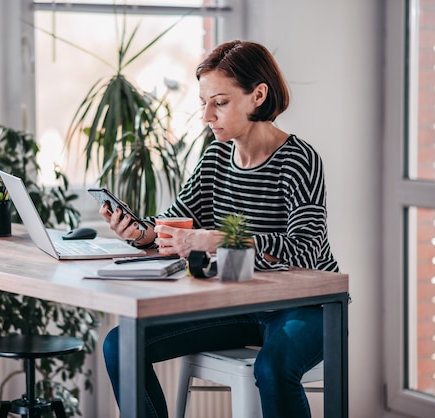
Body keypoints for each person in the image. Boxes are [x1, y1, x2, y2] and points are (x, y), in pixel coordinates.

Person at [99, 40, 339, 418]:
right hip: (240, 305)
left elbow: (306, 248)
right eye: (204, 103)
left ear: (257, 95)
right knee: (122, 343)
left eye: (220, 102)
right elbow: (175, 219)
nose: (208, 115)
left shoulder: (300, 160)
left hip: (306, 306)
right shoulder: (215, 157)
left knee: (273, 368)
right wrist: (139, 232)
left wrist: (220, 239)